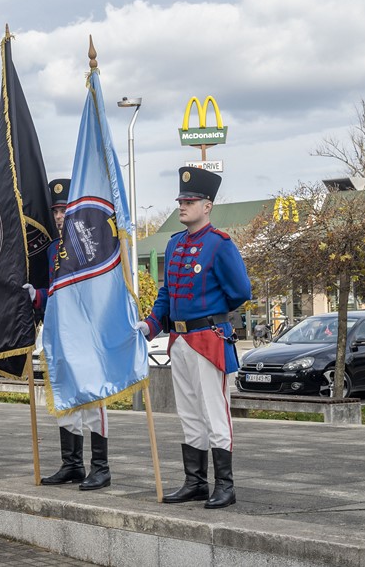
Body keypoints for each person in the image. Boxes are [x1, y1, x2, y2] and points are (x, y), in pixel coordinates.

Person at [138, 167, 252, 509]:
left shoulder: (219, 244)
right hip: (180, 341)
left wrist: (212, 316)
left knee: (216, 414)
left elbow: (240, 291)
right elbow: (167, 296)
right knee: (188, 414)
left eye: (190, 201)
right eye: (181, 200)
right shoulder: (173, 244)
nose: (183, 205)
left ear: (207, 206)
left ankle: (225, 486)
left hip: (209, 338)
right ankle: (195, 482)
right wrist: (150, 326)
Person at [29, 178, 111, 490]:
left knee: (92, 397)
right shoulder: (52, 250)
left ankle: (100, 467)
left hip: (86, 329)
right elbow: (57, 291)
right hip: (58, 329)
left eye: (65, 209)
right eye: (56, 211)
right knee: (64, 399)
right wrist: (37, 296)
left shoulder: (93, 243)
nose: (60, 216)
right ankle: (72, 463)